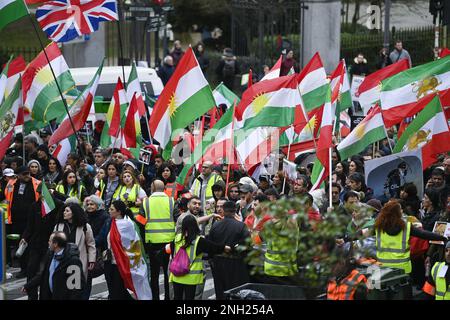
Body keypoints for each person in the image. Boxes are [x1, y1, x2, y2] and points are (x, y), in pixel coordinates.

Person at [374, 200, 447, 289]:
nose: (402, 211)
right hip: (403, 269)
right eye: (400, 209)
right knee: (402, 294)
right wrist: (442, 237)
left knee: (386, 293)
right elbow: (423, 234)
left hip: (383, 268)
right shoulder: (406, 226)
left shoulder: (378, 226)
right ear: (396, 212)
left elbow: (361, 234)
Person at [169, 215, 231, 300]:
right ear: (195, 226)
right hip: (190, 278)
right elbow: (213, 247)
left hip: (176, 275)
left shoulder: (177, 238)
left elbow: (172, 252)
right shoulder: (199, 241)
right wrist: (225, 248)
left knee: (177, 297)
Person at [100, 200, 152, 300]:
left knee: (118, 292)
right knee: (117, 291)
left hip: (122, 264)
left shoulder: (126, 225)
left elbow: (131, 246)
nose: (109, 211)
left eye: (112, 209)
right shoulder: (112, 223)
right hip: (112, 263)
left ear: (119, 212)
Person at [1, 165, 41, 278]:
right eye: (24, 174)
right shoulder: (11, 184)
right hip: (17, 221)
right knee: (20, 245)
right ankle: (24, 269)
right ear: (18, 176)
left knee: (32, 245)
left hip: (33, 220)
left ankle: (33, 269)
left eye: (28, 173)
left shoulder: (37, 183)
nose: (27, 176)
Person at [22, 232, 86, 300]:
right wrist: (28, 285)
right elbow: (43, 275)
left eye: (50, 241)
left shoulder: (72, 260)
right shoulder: (50, 255)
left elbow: (76, 287)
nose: (48, 242)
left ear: (55, 244)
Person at [139, 180, 175, 300]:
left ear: (153, 188)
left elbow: (141, 221)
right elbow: (177, 218)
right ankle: (168, 298)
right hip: (169, 242)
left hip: (152, 242)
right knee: (167, 273)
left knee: (154, 274)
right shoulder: (171, 201)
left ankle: (155, 297)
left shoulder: (146, 202)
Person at [21, 190, 59, 300]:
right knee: (31, 270)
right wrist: (24, 237)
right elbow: (30, 225)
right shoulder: (34, 206)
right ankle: (31, 296)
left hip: (50, 244)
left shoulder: (54, 205)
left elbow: (66, 202)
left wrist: (54, 195)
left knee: (46, 271)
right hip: (36, 243)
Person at [208, 201, 251, 299]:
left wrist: (212, 260)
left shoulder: (215, 226)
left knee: (220, 291)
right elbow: (247, 245)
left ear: (223, 210)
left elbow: (210, 245)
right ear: (235, 210)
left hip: (218, 263)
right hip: (236, 264)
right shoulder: (241, 226)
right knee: (236, 292)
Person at [54, 202, 96, 299]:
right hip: (61, 262)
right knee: (62, 288)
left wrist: (91, 259)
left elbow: (91, 244)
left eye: (67, 211)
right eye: (64, 210)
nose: (64, 212)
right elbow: (53, 243)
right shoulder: (58, 226)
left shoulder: (85, 227)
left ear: (74, 213)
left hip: (77, 262)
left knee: (75, 289)